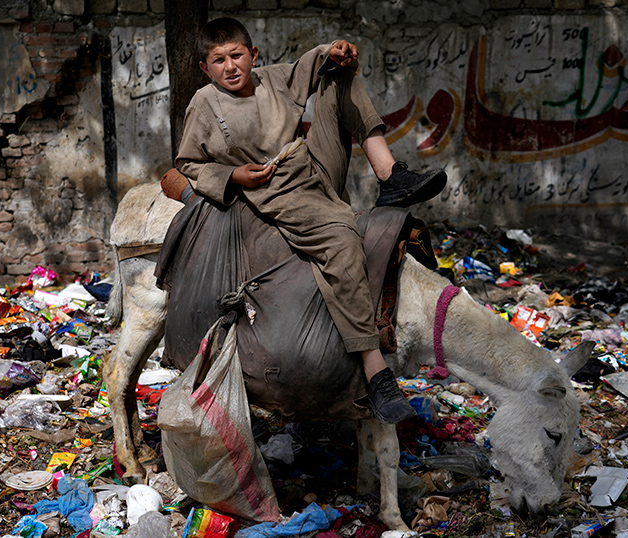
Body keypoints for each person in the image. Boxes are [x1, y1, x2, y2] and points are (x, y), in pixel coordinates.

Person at [175, 17, 447, 424]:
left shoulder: (272, 79)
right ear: (204, 68)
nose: (230, 67)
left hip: (312, 163)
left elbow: (312, 64)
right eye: (218, 60)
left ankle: (390, 174)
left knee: (340, 75)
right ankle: (374, 370)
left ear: (253, 55)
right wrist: (234, 175)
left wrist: (334, 50)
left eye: (236, 56)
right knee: (341, 241)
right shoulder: (204, 104)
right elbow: (188, 163)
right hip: (275, 189)